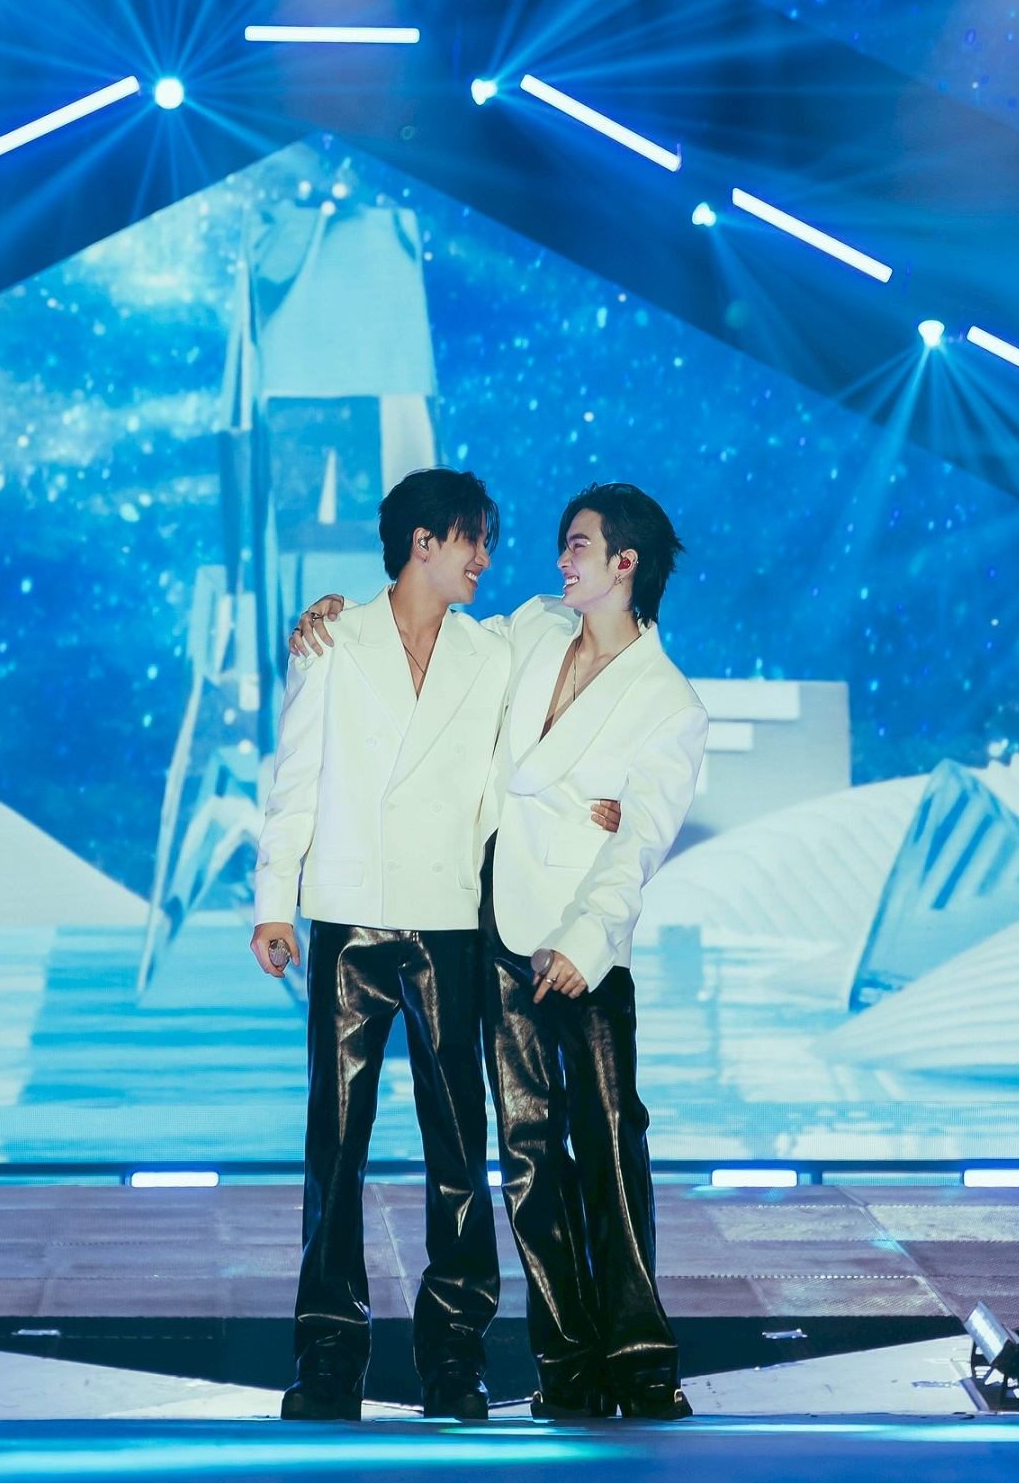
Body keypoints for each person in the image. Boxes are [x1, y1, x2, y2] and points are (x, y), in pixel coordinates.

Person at [292, 482, 707, 1421]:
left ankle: (640, 1361)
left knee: (608, 1149)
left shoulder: (669, 701)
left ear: (626, 562)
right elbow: (431, 644)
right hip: (496, 929)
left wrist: (586, 940)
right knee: (524, 1160)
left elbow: (640, 844)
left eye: (578, 545)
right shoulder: (528, 629)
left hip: (581, 946)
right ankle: (567, 1364)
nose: (560, 559)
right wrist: (333, 616)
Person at [250, 468, 511, 1423]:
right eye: (471, 540)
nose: (484, 559)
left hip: (448, 918)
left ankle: (456, 1357)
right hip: (350, 916)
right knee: (336, 1147)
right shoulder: (334, 640)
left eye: (487, 543)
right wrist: (274, 905)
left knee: (459, 1147)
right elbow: (295, 777)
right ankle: (329, 1356)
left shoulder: (493, 651)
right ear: (422, 544)